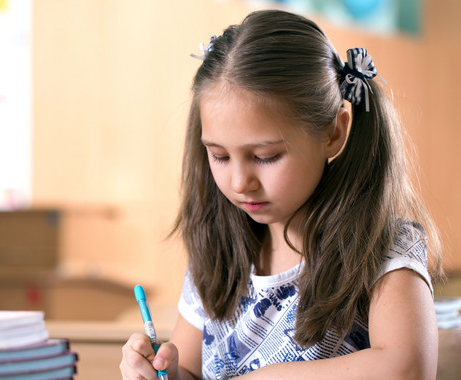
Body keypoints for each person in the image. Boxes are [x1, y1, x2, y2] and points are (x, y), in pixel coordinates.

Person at [120, 9, 443, 380]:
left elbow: (407, 369)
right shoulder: (219, 254)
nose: (241, 182)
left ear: (334, 133)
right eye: (220, 156)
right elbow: (191, 371)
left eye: (265, 156)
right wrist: (165, 373)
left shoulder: (384, 248)